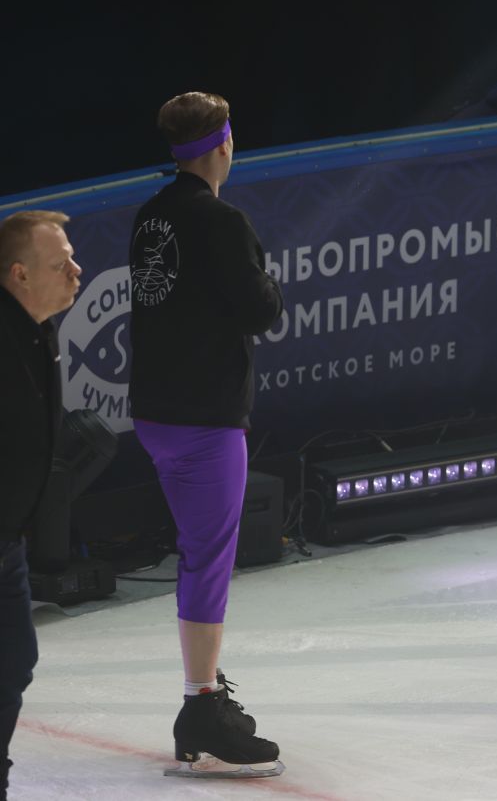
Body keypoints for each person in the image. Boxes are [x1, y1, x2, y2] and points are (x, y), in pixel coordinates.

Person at [129, 91, 285, 777]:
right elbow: (261, 310)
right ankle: (200, 705)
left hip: (156, 412)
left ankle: (204, 691)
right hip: (203, 418)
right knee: (208, 558)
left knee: (201, 553)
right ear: (224, 144)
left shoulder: (152, 214)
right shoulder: (222, 220)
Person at [0, 211, 81, 800]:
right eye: (61, 264)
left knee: (14, 661)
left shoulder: (37, 330)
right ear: (20, 274)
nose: (76, 270)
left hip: (8, 543)